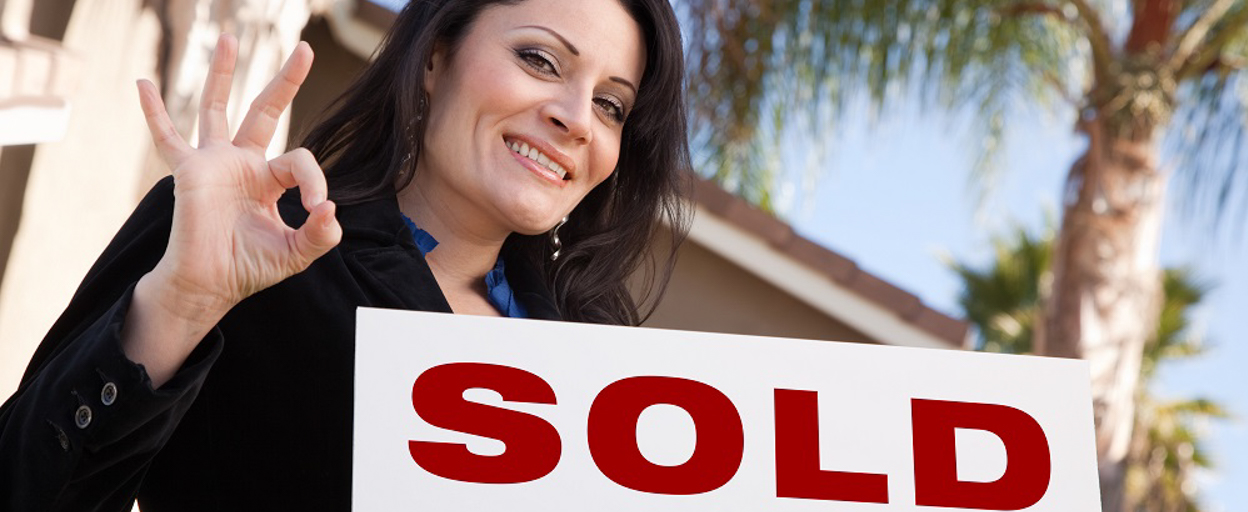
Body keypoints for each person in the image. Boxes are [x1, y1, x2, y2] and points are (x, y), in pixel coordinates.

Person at [0, 0, 689, 509]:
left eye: (611, 105)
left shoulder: (605, 377)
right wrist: (178, 308)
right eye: (540, 60)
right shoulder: (248, 238)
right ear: (433, 58)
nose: (574, 117)